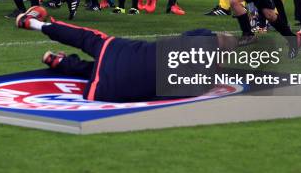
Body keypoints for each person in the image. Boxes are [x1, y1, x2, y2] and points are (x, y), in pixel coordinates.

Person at [15, 6, 236, 103]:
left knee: (89, 39)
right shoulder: (202, 85)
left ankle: (33, 23)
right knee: (114, 72)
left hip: (121, 52)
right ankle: (61, 63)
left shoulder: (203, 37)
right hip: (107, 92)